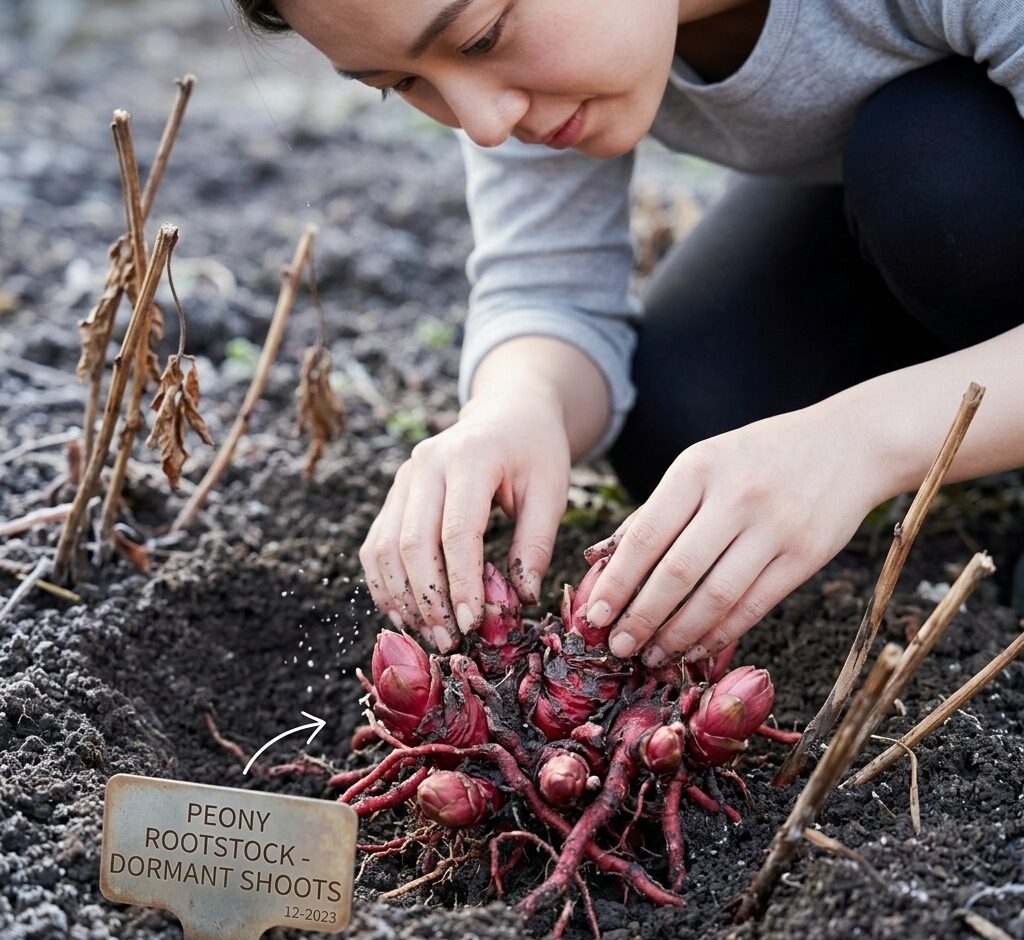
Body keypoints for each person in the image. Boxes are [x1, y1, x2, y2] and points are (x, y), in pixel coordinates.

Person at [234, 0, 1024, 667]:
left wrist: (862, 443)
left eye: (480, 37)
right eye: (400, 82)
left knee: (934, 169)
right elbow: (548, 292)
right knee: (691, 418)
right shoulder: (531, 77)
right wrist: (517, 408)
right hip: (897, 206)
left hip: (957, 184)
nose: (480, 122)